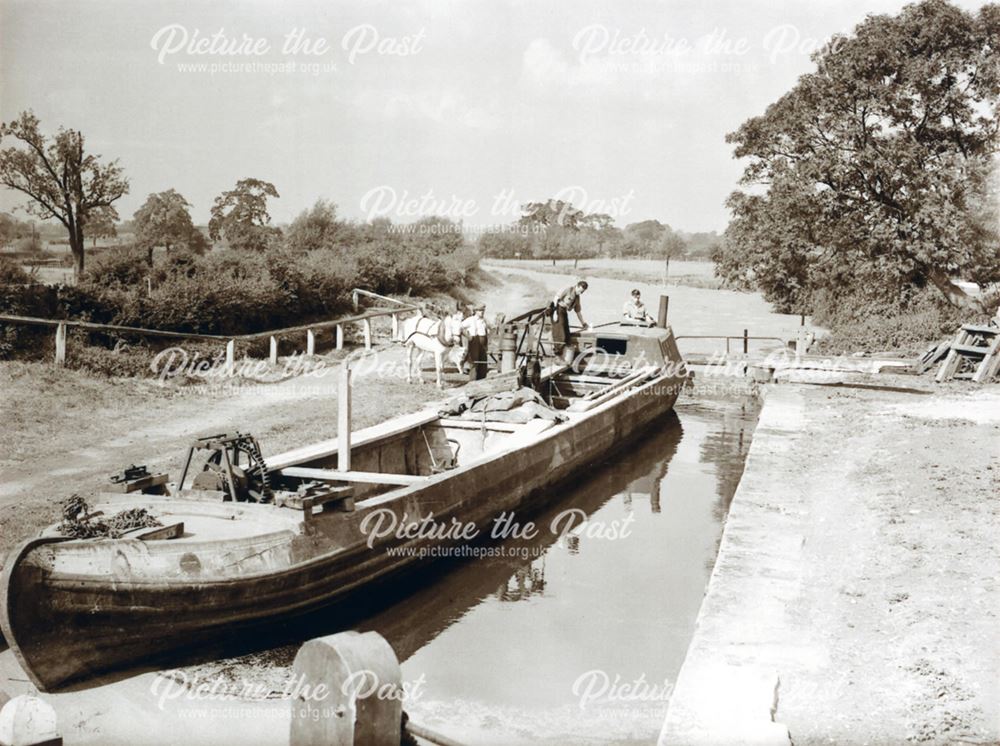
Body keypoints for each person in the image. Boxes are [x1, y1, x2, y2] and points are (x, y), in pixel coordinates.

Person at [550, 280, 589, 355]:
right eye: (580, 291)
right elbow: (556, 298)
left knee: (567, 333)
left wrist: (583, 324)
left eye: (582, 292)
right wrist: (555, 313)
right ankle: (557, 352)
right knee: (560, 332)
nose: (580, 293)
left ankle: (565, 354)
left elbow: (578, 312)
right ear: (577, 286)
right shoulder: (568, 289)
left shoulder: (577, 298)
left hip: (564, 311)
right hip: (557, 309)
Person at [461, 304, 489, 381]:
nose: (482, 312)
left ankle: (482, 380)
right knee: (474, 362)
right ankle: (473, 381)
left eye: (483, 311)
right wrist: (467, 336)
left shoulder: (484, 321)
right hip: (474, 343)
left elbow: (486, 332)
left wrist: (486, 345)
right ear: (475, 311)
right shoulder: (470, 320)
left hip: (483, 344)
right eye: (480, 311)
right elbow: (460, 327)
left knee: (483, 362)